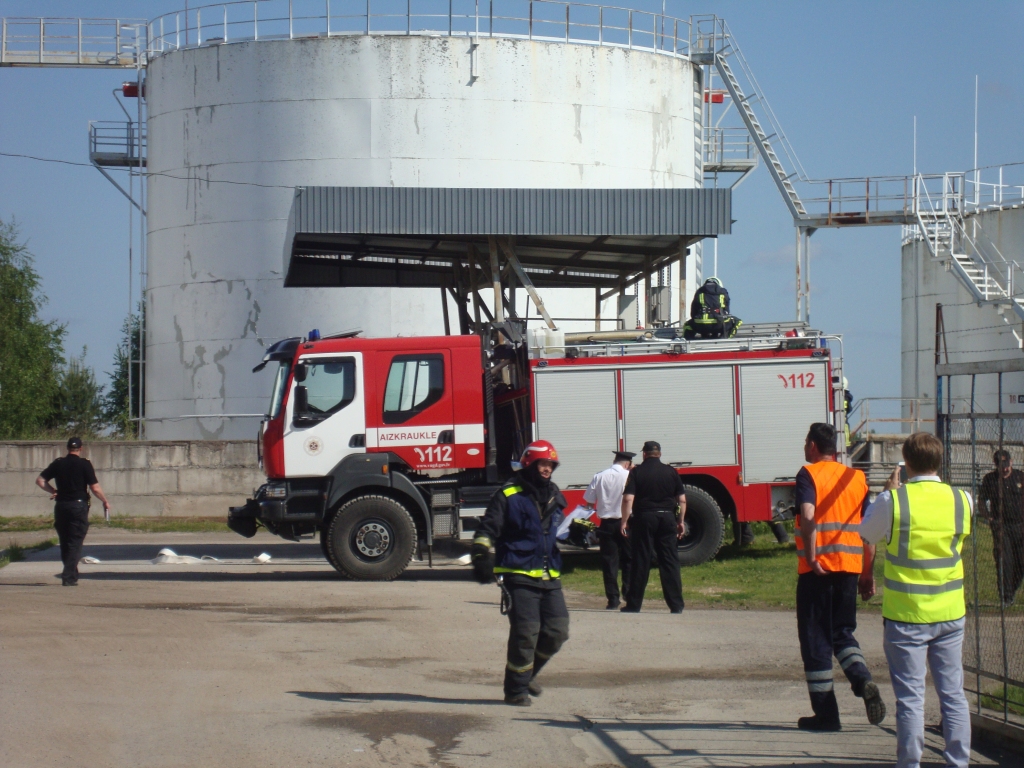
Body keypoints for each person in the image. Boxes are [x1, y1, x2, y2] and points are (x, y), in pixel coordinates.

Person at [859, 432, 971, 768]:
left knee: (911, 699)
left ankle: (909, 764)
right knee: (953, 695)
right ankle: (958, 762)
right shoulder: (963, 499)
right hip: (951, 613)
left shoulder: (894, 501)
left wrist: (888, 494)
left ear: (905, 463)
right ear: (939, 462)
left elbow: (867, 533)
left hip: (907, 615)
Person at [794, 422, 885, 731]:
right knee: (842, 633)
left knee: (816, 640)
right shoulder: (856, 478)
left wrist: (811, 554)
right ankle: (863, 681)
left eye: (807, 442)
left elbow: (808, 515)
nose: (805, 447)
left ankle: (827, 715)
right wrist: (867, 574)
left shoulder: (808, 475)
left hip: (817, 570)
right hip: (849, 568)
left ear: (813, 446)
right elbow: (868, 531)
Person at [471, 440, 570, 706]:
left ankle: (527, 676)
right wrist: (481, 553)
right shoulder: (508, 495)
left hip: (549, 575)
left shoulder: (553, 494)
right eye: (543, 463)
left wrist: (580, 533)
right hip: (518, 573)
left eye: (551, 464)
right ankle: (515, 691)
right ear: (529, 464)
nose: (547, 469)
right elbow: (488, 528)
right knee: (526, 633)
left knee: (557, 631)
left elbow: (557, 529)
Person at [620, 441, 686, 613]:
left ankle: (634, 604)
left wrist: (624, 521)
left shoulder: (636, 472)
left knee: (641, 560)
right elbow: (682, 499)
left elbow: (628, 499)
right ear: (660, 454)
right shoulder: (671, 471)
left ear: (644, 454)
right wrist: (680, 520)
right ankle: (676, 605)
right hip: (667, 517)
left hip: (645, 518)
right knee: (669, 561)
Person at [35, 437, 111, 586]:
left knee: (65, 541)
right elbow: (94, 488)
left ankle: (71, 574)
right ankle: (68, 576)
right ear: (81, 449)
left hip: (61, 505)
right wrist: (104, 500)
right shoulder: (85, 464)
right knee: (75, 541)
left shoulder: (58, 463)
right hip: (78, 506)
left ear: (67, 448)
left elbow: (40, 480)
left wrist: (53, 490)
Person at [582, 450, 635, 610]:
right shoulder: (629, 476)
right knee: (629, 560)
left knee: (609, 562)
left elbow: (589, 503)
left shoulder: (599, 476)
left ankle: (612, 599)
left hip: (606, 524)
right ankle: (629, 593)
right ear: (627, 464)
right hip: (626, 522)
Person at [978, 449, 1024, 606]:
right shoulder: (990, 479)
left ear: (1011, 462)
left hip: (1020, 526)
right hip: (1001, 526)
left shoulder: (1020, 477)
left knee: (1020, 561)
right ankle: (1006, 597)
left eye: (1006, 464)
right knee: (1005, 562)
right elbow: (982, 501)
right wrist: (988, 517)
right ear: (996, 465)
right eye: (1001, 465)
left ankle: (1012, 588)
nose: (1004, 468)